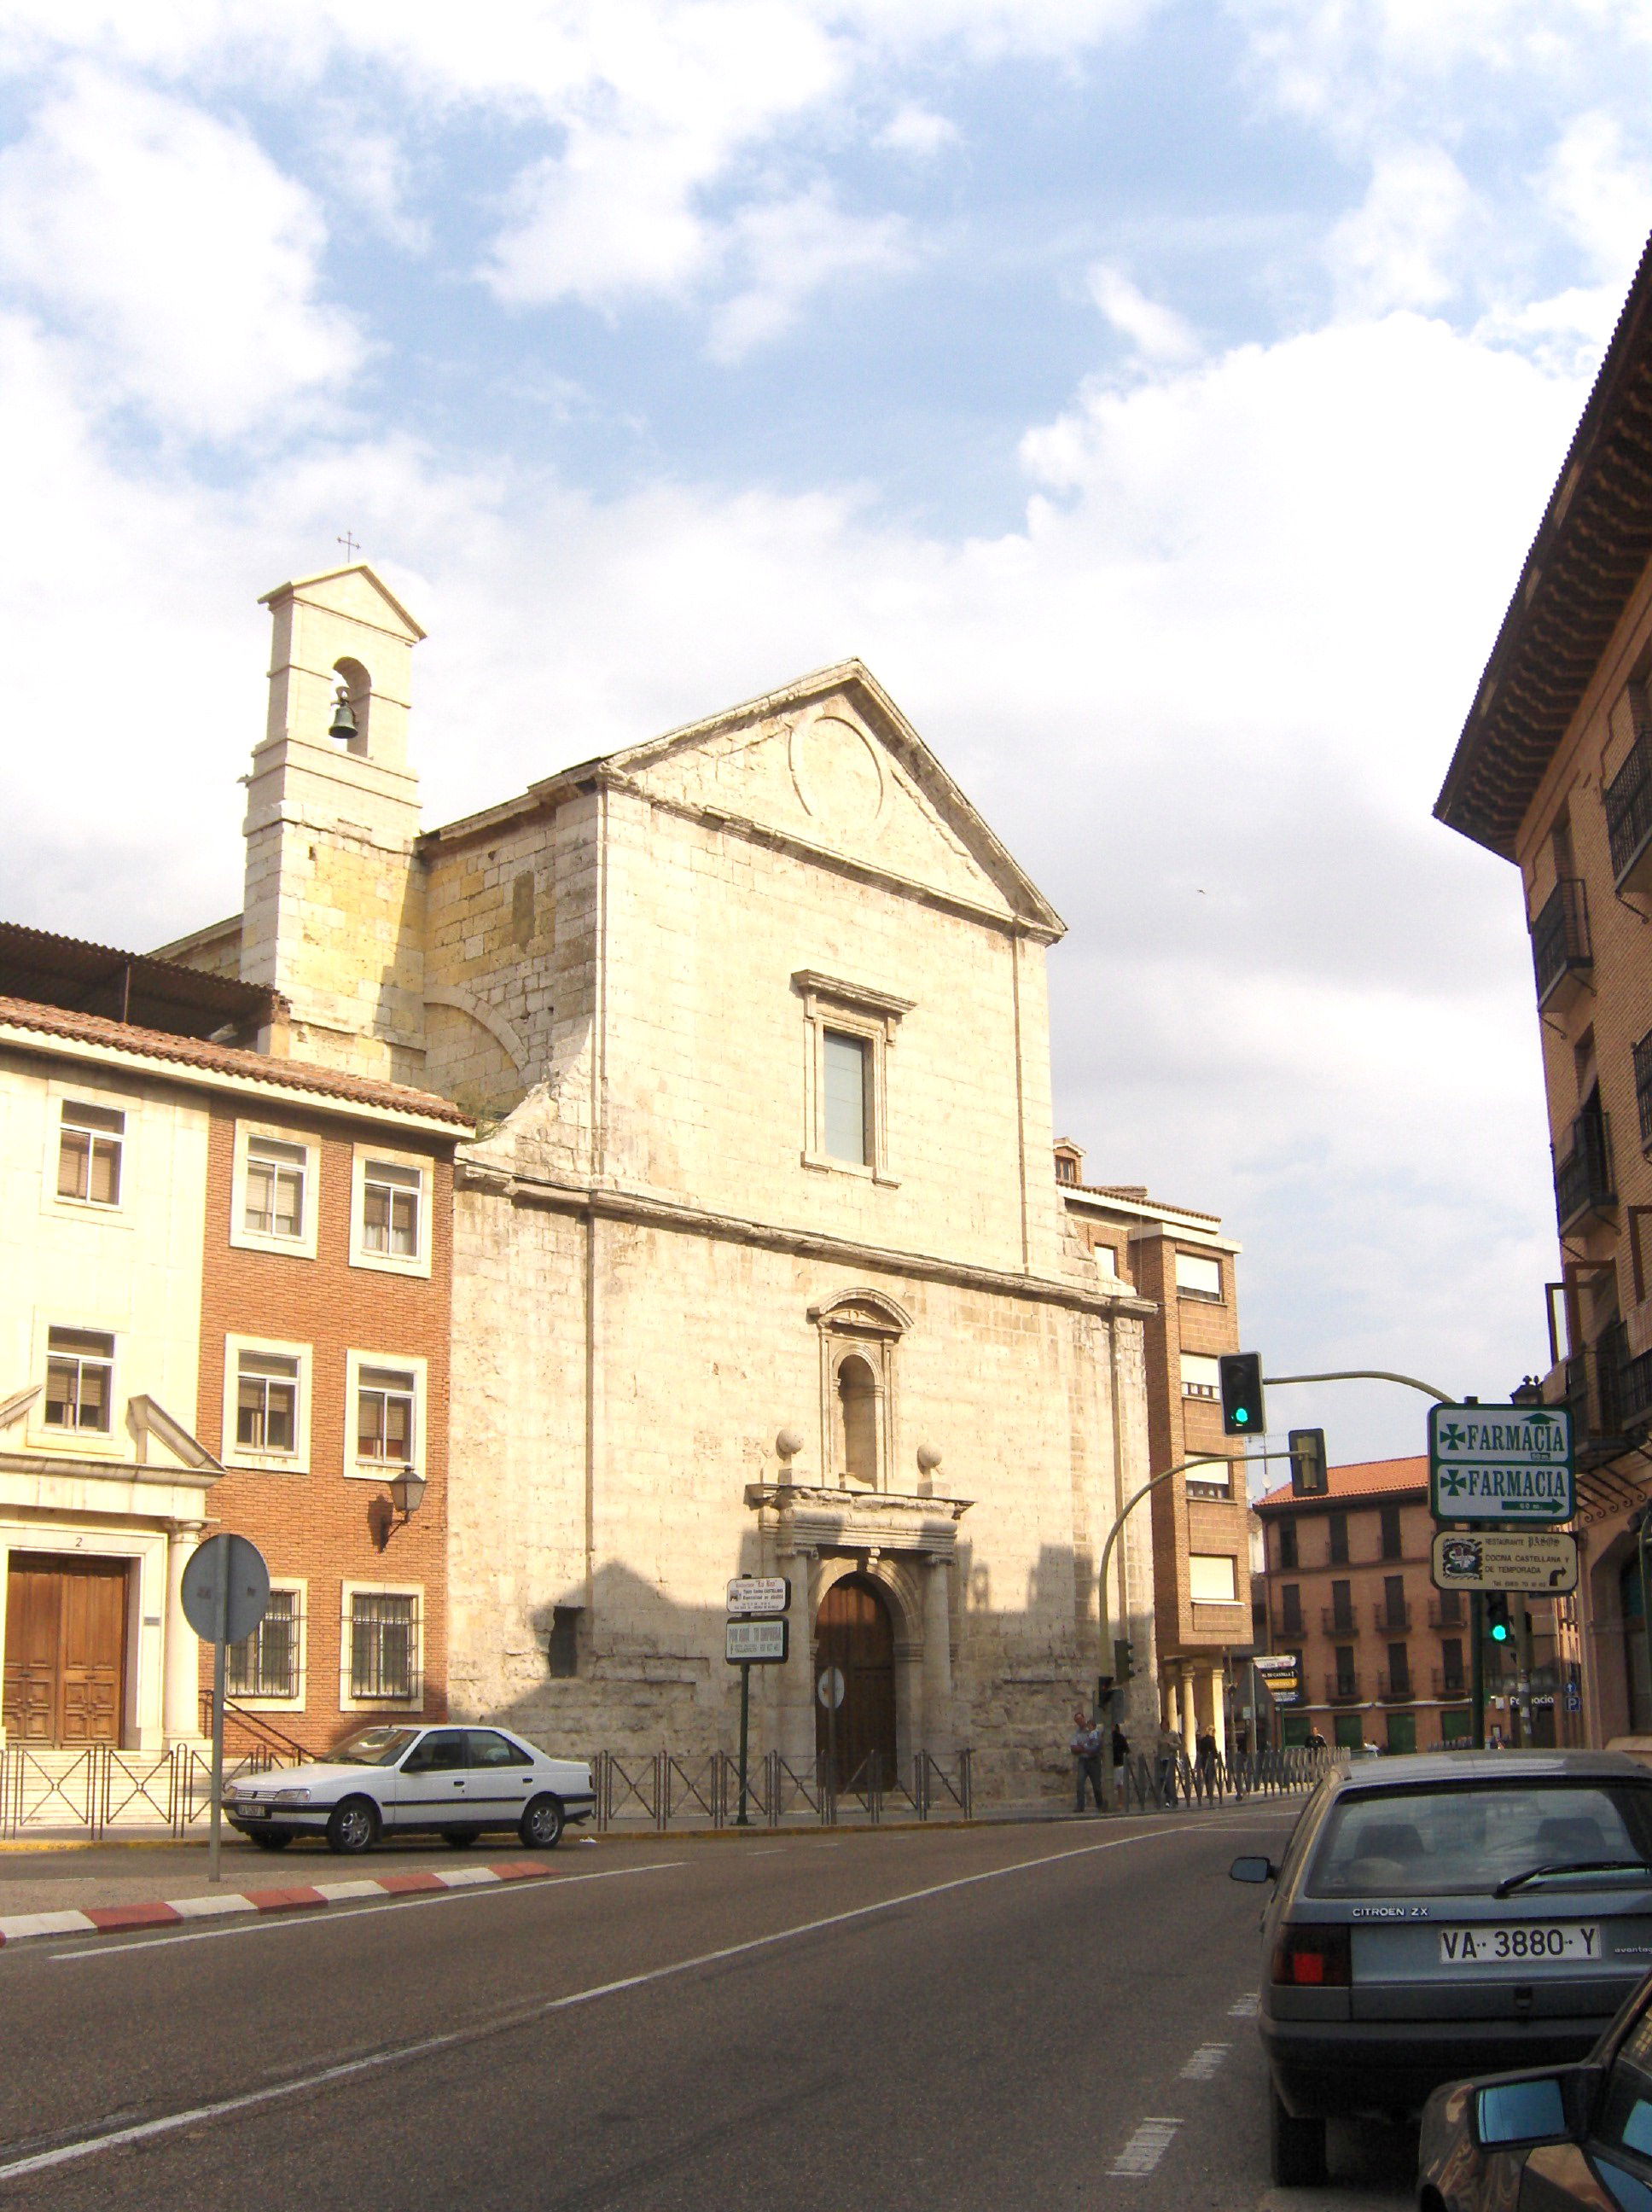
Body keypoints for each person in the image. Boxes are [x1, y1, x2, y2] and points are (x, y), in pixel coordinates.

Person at [1071, 1707, 1104, 1813]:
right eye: (1077, 1720)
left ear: (1084, 1718)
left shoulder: (1093, 1730)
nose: (1079, 1721)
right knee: (1079, 1783)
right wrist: (1085, 1749)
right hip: (1083, 1761)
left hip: (1094, 1760)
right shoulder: (1077, 1733)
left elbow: (1096, 1747)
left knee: (1096, 1785)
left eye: (1080, 1719)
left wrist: (1083, 1748)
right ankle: (1080, 1806)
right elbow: (1073, 1748)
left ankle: (1100, 1805)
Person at [1155, 1721, 1181, 1808]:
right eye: (1162, 1726)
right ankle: (1168, 1797)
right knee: (1162, 1779)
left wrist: (1170, 1745)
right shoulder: (1159, 1735)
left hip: (1170, 1759)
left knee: (1170, 1780)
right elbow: (1157, 1746)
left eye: (1164, 1726)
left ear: (1168, 1726)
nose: (1163, 1728)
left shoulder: (1173, 1734)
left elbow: (1179, 1745)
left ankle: (1172, 1799)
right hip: (1162, 1758)